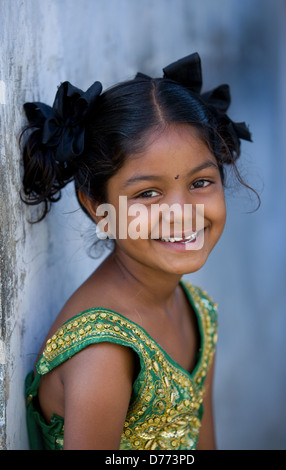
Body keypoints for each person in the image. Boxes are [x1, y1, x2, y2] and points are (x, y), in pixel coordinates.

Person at [22, 53, 257, 450]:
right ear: (99, 208)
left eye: (201, 182)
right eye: (148, 193)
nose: (182, 214)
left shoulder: (198, 311)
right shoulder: (104, 352)